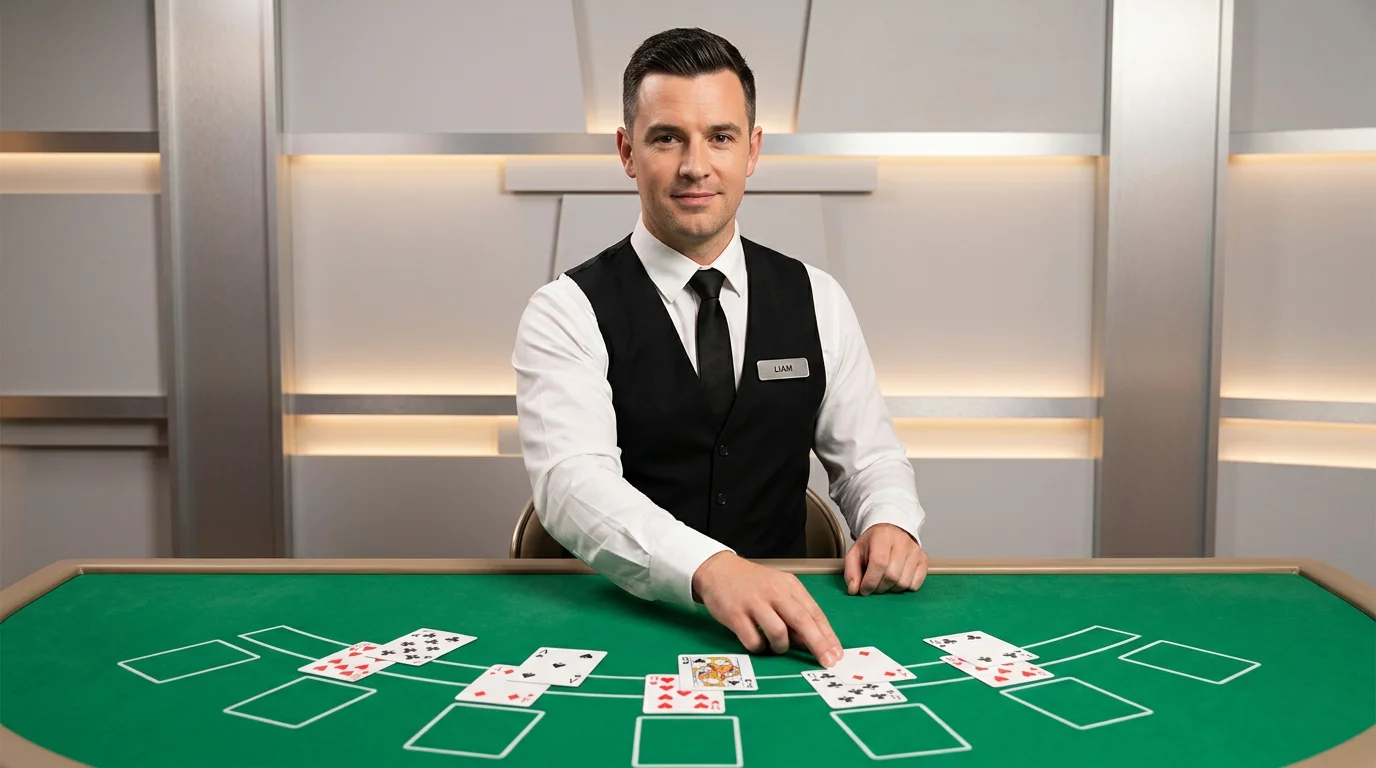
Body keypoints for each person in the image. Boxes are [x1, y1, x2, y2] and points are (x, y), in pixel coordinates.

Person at [512, 27, 928, 669]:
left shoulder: (818, 297)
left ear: (753, 150)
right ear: (627, 151)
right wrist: (711, 569)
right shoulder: (565, 310)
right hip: (619, 628)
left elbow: (869, 460)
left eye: (721, 137)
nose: (695, 165)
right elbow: (571, 483)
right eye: (666, 137)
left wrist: (890, 520)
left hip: (793, 632)